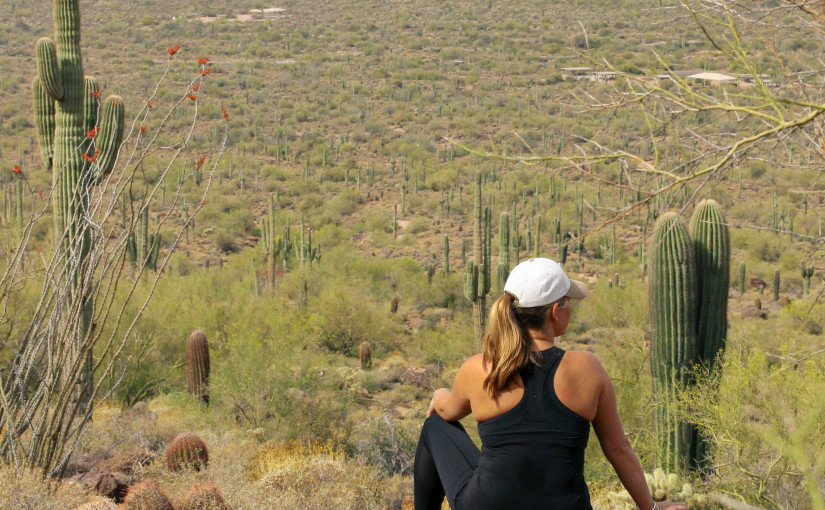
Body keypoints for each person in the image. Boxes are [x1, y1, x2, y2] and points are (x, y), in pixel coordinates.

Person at [414, 258, 687, 510]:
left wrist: (439, 395)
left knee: (434, 425)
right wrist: (650, 508)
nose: (571, 308)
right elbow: (618, 449)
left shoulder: (480, 368)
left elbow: (447, 411)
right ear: (556, 311)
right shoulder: (586, 368)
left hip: (489, 504)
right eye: (568, 301)